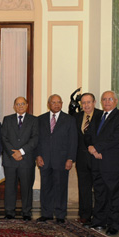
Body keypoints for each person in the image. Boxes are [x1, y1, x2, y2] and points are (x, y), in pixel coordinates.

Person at [86, 91, 119, 235]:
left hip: (112, 163)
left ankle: (113, 224)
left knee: (113, 195)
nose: (107, 102)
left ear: (116, 101)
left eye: (110, 99)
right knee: (99, 194)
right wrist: (92, 148)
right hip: (97, 162)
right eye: (104, 99)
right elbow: (89, 134)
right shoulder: (97, 116)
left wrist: (97, 148)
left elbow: (116, 137)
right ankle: (99, 221)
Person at [36, 94, 77, 223]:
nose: (56, 104)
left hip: (62, 160)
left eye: (59, 102)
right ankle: (46, 213)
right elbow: (36, 140)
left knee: (61, 188)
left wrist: (70, 158)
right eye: (53, 102)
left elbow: (73, 140)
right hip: (45, 160)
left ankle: (60, 215)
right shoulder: (40, 119)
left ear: (62, 103)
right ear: (49, 104)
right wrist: (37, 155)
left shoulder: (69, 119)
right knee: (46, 187)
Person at [1, 97, 39, 221]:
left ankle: (26, 211)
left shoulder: (34, 120)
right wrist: (13, 153)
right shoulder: (7, 119)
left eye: (23, 104)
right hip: (10, 159)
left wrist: (21, 151)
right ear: (14, 106)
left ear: (27, 105)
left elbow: (35, 139)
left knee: (26, 187)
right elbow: (4, 138)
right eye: (18, 104)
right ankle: (9, 211)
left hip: (26, 159)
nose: (20, 106)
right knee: (10, 187)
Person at [74, 93, 102, 226]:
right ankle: (85, 215)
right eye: (83, 103)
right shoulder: (77, 117)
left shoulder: (101, 116)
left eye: (88, 102)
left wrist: (97, 149)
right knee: (84, 188)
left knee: (99, 188)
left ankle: (99, 216)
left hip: (97, 157)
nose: (86, 105)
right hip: (81, 159)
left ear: (94, 102)